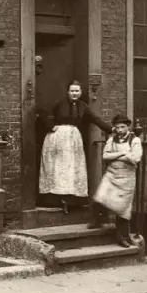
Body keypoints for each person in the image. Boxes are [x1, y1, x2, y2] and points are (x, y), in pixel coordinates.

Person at [39, 80, 113, 214]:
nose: (74, 93)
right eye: (72, 91)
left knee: (73, 167)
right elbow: (42, 113)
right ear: (68, 92)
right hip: (58, 139)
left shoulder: (83, 106)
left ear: (80, 92)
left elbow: (95, 119)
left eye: (77, 91)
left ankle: (71, 199)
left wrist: (110, 129)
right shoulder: (59, 103)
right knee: (59, 167)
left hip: (74, 139)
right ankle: (56, 199)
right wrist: (51, 126)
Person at [90, 114, 143, 247]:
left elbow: (135, 158)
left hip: (127, 177)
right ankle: (98, 220)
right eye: (117, 127)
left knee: (123, 208)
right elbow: (105, 156)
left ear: (128, 127)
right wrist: (123, 154)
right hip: (111, 175)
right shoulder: (111, 140)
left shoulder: (134, 140)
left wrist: (117, 157)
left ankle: (123, 237)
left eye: (122, 127)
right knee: (100, 196)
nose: (119, 130)